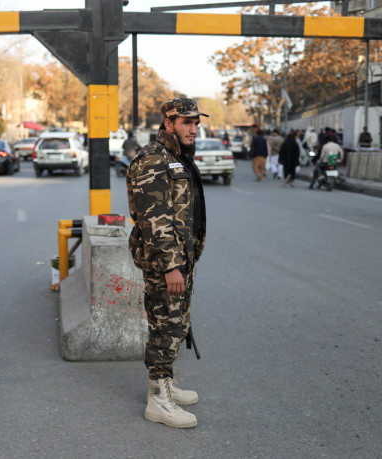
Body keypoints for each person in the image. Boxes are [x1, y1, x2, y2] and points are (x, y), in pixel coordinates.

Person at [126, 98, 207, 429]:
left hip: (181, 258)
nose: (193, 128)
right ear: (168, 122)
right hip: (166, 262)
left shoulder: (176, 158)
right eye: (186, 122)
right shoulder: (153, 160)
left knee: (176, 322)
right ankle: (158, 400)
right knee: (166, 325)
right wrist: (171, 265)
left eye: (196, 122)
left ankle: (166, 383)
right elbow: (154, 220)